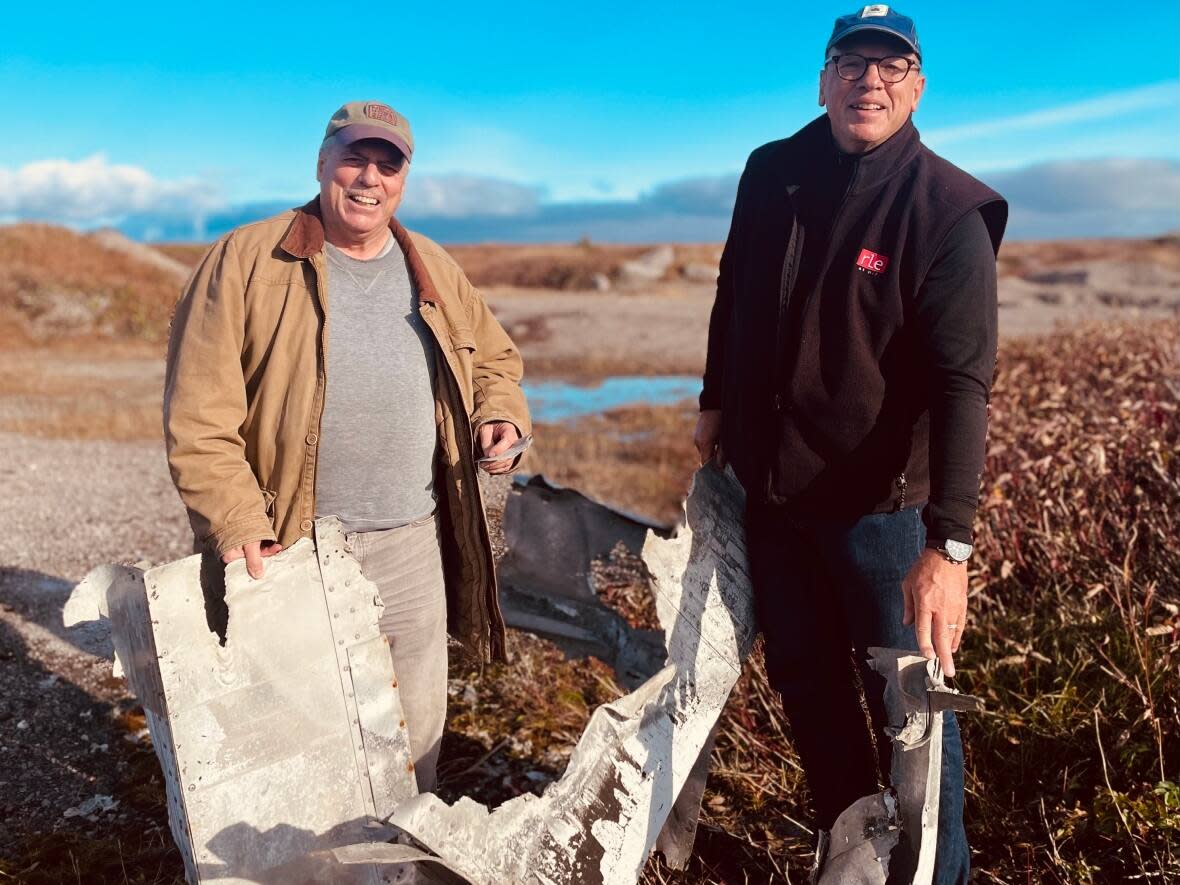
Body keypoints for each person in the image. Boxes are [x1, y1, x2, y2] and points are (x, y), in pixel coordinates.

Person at [694, 7, 1006, 881]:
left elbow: (962, 386)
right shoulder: (773, 173)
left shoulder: (950, 210)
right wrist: (718, 400)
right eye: (851, 63)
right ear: (824, 77)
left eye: (891, 66)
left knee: (912, 711)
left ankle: (937, 872)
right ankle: (853, 853)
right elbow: (732, 288)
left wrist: (949, 544)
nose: (870, 81)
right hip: (774, 495)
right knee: (808, 685)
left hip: (880, 516)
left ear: (917, 85)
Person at [164, 101, 530, 793]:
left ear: (404, 178)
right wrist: (237, 519)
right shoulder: (246, 259)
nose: (370, 178)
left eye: (388, 164)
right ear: (322, 162)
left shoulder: (435, 267)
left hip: (413, 543)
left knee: (414, 733)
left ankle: (395, 856)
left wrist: (498, 414)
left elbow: (495, 360)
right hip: (291, 545)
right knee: (289, 737)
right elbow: (198, 411)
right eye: (355, 158)